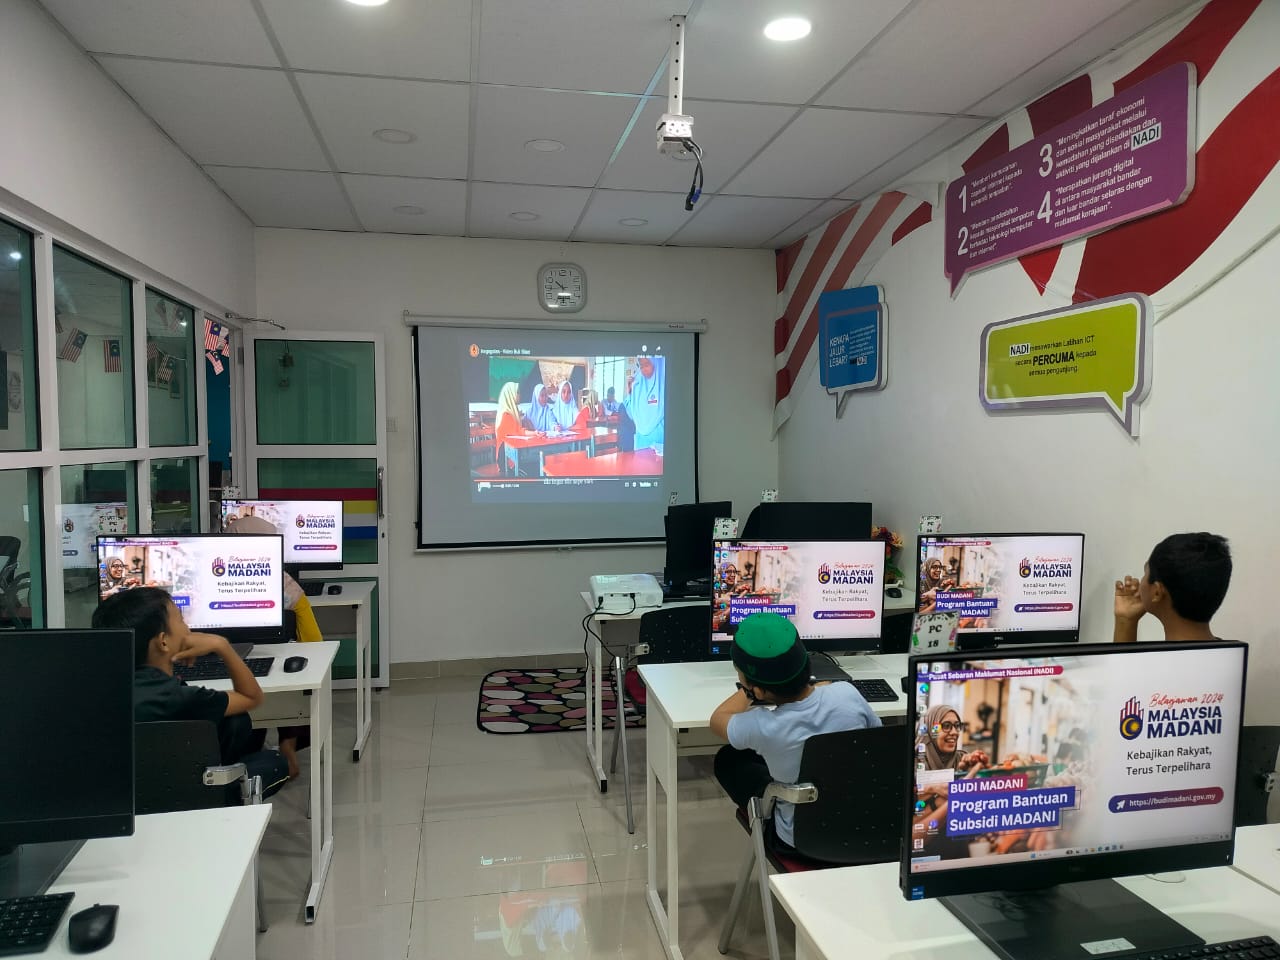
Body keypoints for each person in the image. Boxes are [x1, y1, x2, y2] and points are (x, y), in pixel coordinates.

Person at [92, 587, 291, 796]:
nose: (188, 627)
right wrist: (221, 645)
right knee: (274, 762)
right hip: (180, 793)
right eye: (180, 619)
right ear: (163, 641)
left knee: (234, 720)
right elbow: (251, 697)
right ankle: (219, 797)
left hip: (119, 794)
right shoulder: (177, 697)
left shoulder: (102, 688)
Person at [709, 612, 880, 848]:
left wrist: (749, 690)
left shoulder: (763, 726)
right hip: (867, 829)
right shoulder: (847, 694)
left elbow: (717, 720)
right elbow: (876, 738)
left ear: (757, 689)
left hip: (800, 841)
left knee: (729, 759)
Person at [225, 513, 319, 777]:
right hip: (276, 669)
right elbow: (312, 638)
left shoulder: (219, 579)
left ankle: (252, 753)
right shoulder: (286, 584)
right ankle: (288, 743)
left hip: (233, 668)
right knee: (289, 696)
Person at [1114, 532, 1232, 643]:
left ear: (1157, 592)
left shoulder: (1158, 658)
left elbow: (1124, 660)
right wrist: (1126, 619)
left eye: (1145, 572)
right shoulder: (1231, 653)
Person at [620, 356, 664, 452]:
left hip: (660, 445)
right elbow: (632, 415)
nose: (644, 370)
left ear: (656, 363)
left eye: (647, 364)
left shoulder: (664, 384)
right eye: (641, 366)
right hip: (641, 444)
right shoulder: (638, 384)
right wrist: (630, 391)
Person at [493, 381, 522, 472]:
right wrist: (535, 432)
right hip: (505, 461)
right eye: (517, 393)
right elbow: (519, 431)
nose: (520, 395)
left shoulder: (513, 411)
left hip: (511, 455)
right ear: (510, 395)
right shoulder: (506, 415)